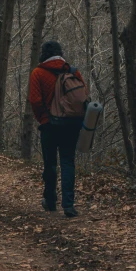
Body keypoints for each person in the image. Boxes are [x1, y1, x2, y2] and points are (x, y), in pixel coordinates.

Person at [28, 40, 87, 218]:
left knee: (50, 164)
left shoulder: (38, 73)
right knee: (68, 162)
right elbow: (82, 97)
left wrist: (44, 118)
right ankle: (69, 205)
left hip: (49, 125)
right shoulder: (72, 71)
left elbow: (35, 100)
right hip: (71, 124)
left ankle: (51, 201)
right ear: (60, 53)